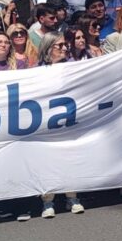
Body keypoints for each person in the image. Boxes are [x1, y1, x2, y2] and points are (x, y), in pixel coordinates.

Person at [36, 31, 86, 214]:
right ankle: (48, 200)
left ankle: (72, 196)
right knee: (47, 162)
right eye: (60, 46)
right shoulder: (36, 71)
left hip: (69, 120)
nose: (65, 48)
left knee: (69, 158)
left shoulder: (72, 67)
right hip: (46, 123)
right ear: (48, 48)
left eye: (65, 45)